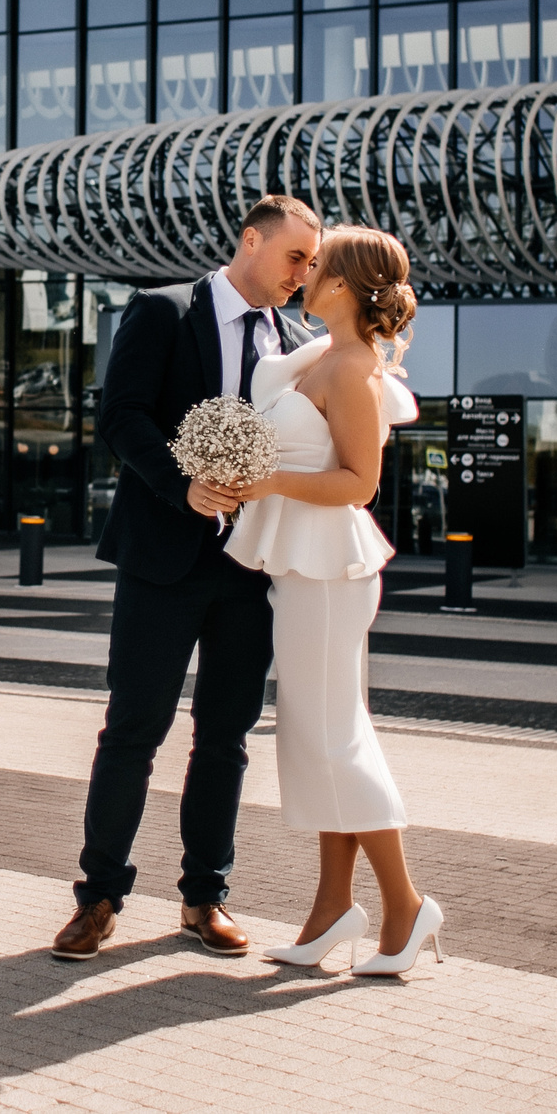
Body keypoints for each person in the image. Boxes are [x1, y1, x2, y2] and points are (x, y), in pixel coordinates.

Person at [51, 194, 323, 961]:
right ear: (251, 240)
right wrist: (185, 482)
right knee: (133, 729)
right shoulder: (164, 310)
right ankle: (98, 896)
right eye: (294, 258)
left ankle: (206, 897)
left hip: (249, 567)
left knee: (226, 738)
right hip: (162, 559)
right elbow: (121, 414)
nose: (303, 276)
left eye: (311, 263)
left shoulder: (298, 341)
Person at [221, 225, 445, 976]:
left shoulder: (352, 370)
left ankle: (406, 907)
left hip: (328, 570)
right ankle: (331, 909)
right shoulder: (324, 356)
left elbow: (360, 485)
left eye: (317, 267)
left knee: (335, 740)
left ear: (343, 286)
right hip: (306, 572)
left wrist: (269, 480)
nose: (305, 274)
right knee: (317, 738)